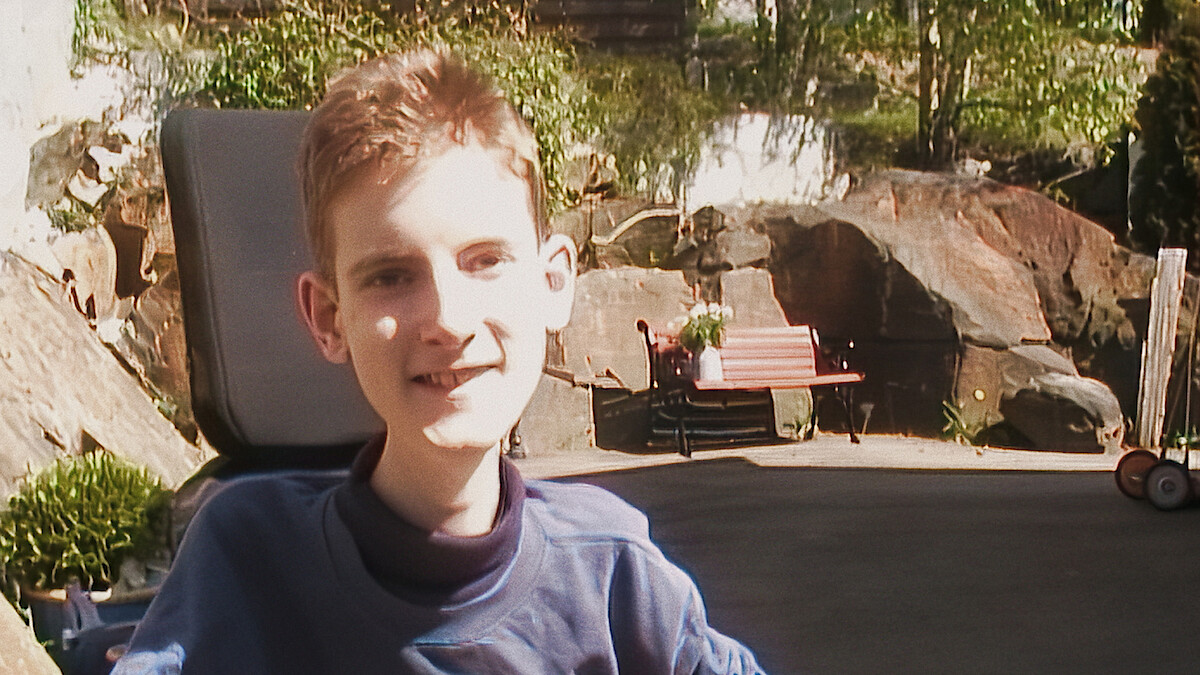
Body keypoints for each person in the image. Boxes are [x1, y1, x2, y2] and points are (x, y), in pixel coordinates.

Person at [114, 49, 764, 674]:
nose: (448, 320)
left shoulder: (613, 577)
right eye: (391, 276)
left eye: (485, 260)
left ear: (553, 283)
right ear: (329, 318)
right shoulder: (248, 560)